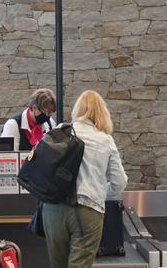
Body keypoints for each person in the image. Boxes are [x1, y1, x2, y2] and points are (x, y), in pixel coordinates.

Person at [42, 90, 128, 268]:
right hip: (87, 210)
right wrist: (99, 191)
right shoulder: (105, 140)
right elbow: (119, 182)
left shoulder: (59, 131)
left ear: (77, 110)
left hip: (53, 209)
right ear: (102, 112)